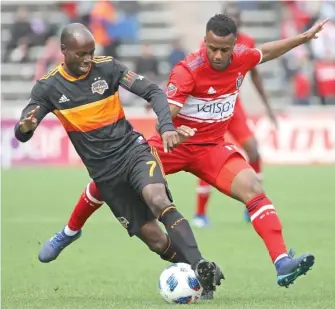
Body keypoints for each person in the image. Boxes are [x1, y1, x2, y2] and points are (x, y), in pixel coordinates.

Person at [38, 15, 327, 288]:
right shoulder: (188, 69)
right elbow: (169, 107)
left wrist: (302, 38)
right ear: (204, 41)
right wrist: (170, 127)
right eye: (211, 47)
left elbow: (265, 52)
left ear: (234, 47)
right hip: (172, 145)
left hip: (211, 149)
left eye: (223, 50)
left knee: (253, 187)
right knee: (112, 175)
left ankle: (282, 262)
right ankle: (69, 232)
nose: (216, 55)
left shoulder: (242, 57)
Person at [14, 23, 224, 297]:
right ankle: (196, 272)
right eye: (81, 54)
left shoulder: (108, 68)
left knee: (158, 199)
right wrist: (25, 128)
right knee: (156, 241)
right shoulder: (48, 87)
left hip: (133, 152)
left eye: (91, 52)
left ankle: (199, 264)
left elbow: (154, 92)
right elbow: (23, 130)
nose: (88, 59)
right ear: (64, 51)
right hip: (106, 176)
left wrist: (166, 126)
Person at [194, 5, 277, 227]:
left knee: (254, 151)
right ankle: (200, 214)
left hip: (234, 108)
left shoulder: (248, 42)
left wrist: (268, 108)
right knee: (205, 156)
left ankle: (253, 207)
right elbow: (193, 70)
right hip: (211, 107)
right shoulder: (211, 44)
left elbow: (256, 76)